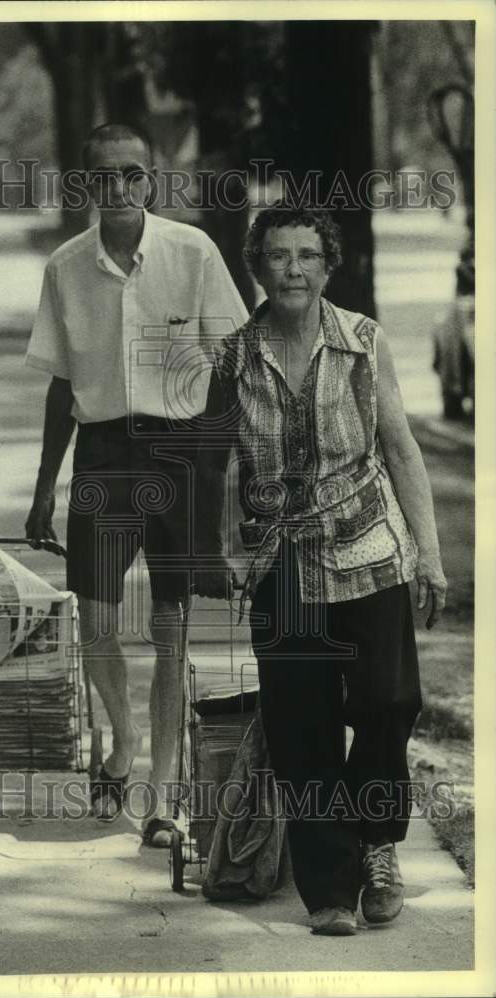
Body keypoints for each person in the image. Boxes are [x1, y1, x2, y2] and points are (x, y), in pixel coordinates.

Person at [194, 204, 446, 934]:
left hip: (371, 547)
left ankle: (378, 847)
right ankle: (330, 887)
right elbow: (213, 465)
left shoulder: (364, 340)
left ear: (329, 266)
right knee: (302, 725)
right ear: (258, 266)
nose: (294, 269)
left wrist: (427, 552)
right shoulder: (235, 357)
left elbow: (399, 447)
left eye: (308, 255)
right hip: (284, 559)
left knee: (387, 703)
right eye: (279, 256)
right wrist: (219, 552)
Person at [25, 123, 249, 846]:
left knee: (172, 627)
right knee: (95, 619)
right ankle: (122, 742)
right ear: (83, 184)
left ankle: (161, 794)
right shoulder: (65, 267)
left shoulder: (193, 252)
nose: (117, 189)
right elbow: (62, 385)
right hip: (103, 451)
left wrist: (224, 485)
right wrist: (42, 490)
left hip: (180, 451)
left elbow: (233, 369)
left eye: (131, 175)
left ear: (150, 180)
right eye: (102, 177)